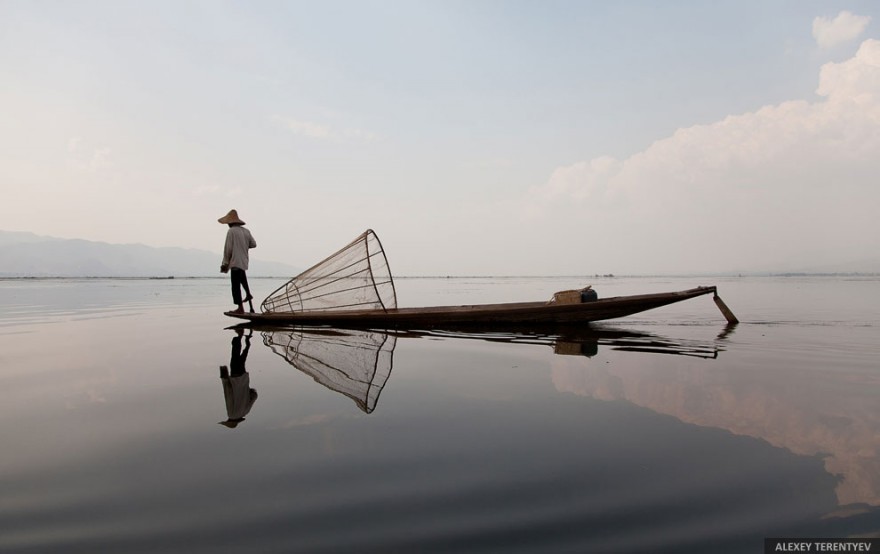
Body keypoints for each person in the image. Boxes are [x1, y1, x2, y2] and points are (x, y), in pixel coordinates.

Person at [218, 327, 258, 428]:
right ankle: (240, 336)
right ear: (229, 420)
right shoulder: (231, 414)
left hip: (243, 378)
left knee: (241, 360)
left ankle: (247, 342)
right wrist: (224, 379)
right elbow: (229, 396)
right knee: (235, 354)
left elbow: (254, 395)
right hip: (234, 379)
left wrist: (247, 390)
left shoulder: (245, 411)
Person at [218, 209, 257, 314]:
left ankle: (240, 308)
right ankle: (248, 294)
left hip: (235, 262)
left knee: (235, 286)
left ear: (230, 223)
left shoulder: (231, 231)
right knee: (243, 280)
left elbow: (228, 249)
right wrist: (244, 245)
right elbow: (253, 244)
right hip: (244, 262)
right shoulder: (246, 231)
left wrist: (225, 264)